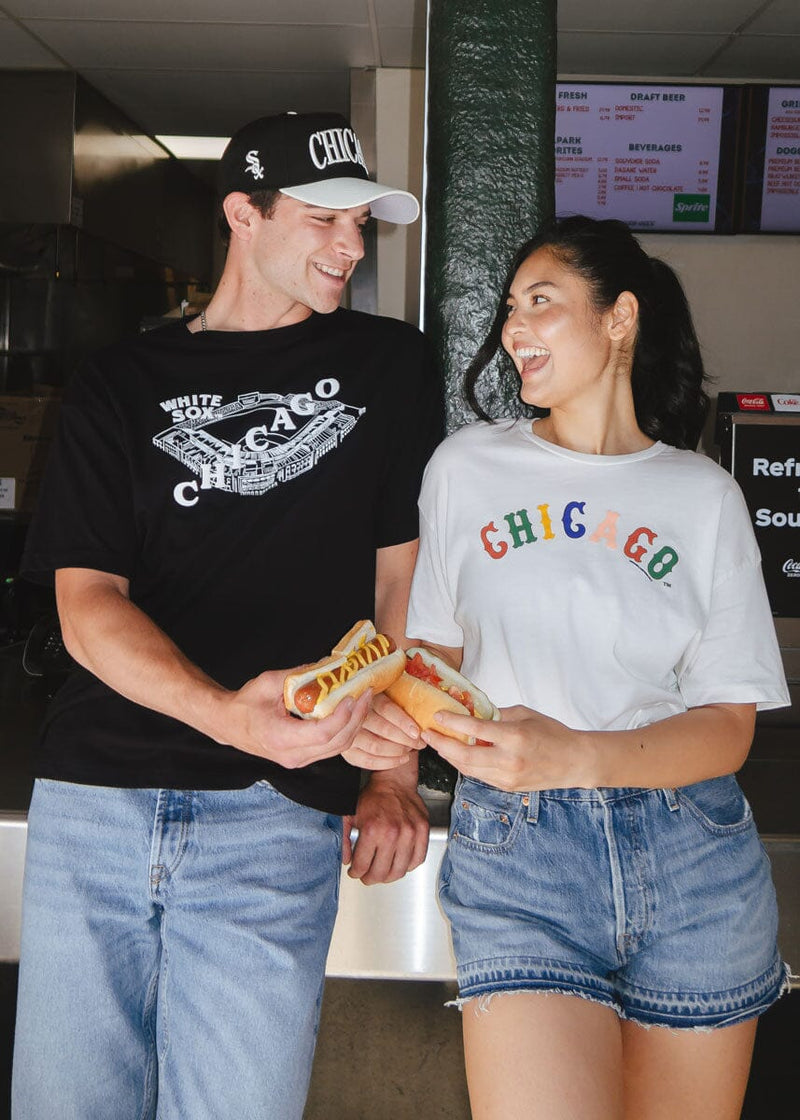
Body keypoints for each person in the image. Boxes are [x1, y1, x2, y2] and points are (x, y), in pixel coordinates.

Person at [12, 111, 442, 1120]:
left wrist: (391, 768)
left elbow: (402, 588)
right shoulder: (117, 387)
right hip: (97, 802)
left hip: (276, 815)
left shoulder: (391, 369)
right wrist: (226, 713)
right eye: (324, 219)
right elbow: (85, 606)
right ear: (241, 214)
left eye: (361, 225)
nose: (349, 246)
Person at [404, 216, 790, 1120]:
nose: (514, 327)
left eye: (542, 301)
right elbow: (434, 659)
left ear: (620, 318)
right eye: (509, 308)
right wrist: (399, 708)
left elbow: (728, 728)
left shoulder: (703, 496)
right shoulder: (468, 467)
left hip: (695, 857)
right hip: (521, 855)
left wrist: (572, 756)